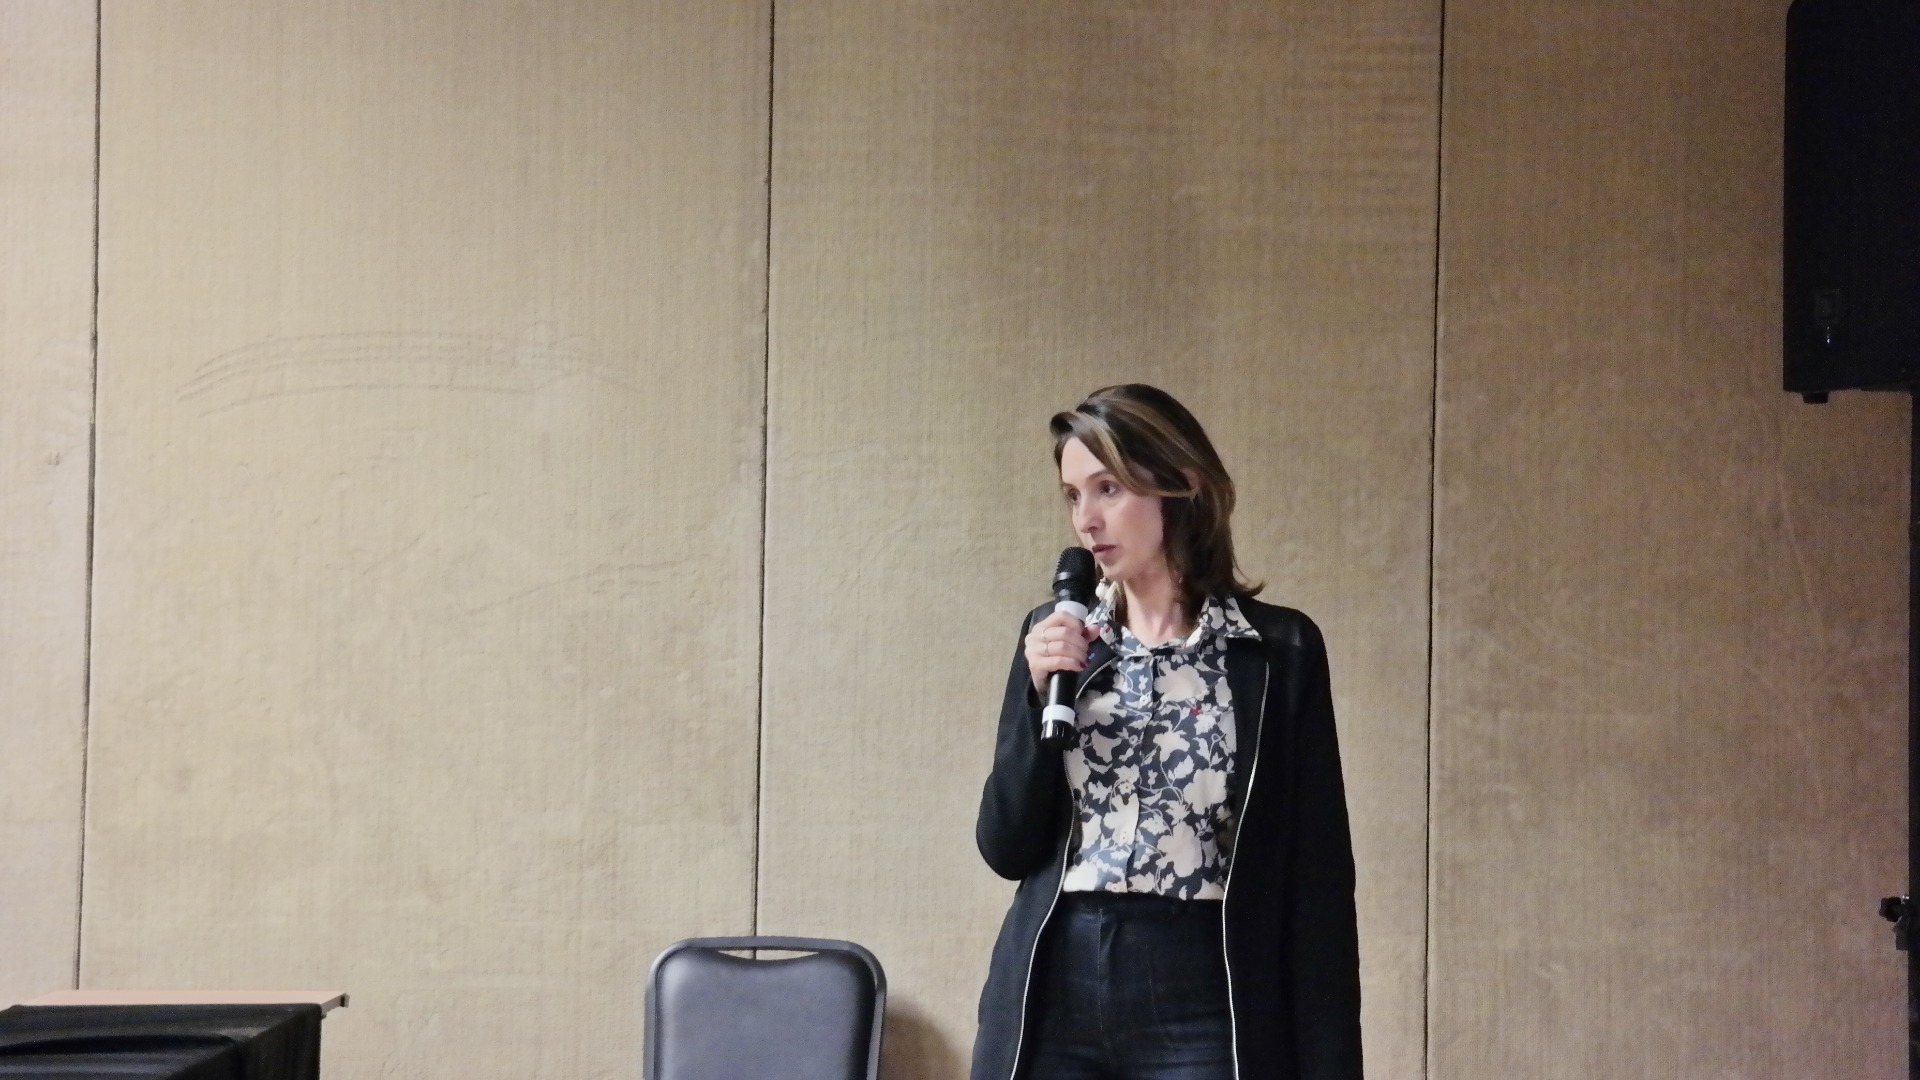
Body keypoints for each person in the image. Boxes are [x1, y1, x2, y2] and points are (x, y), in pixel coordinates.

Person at [970, 384, 1361, 1080]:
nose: (1086, 520)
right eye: (1073, 496)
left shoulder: (1277, 652)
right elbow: (1006, 846)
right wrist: (1036, 699)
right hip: (1057, 978)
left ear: (1182, 485)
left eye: (1109, 488)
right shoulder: (1056, 638)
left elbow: (1318, 879)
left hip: (1203, 986)